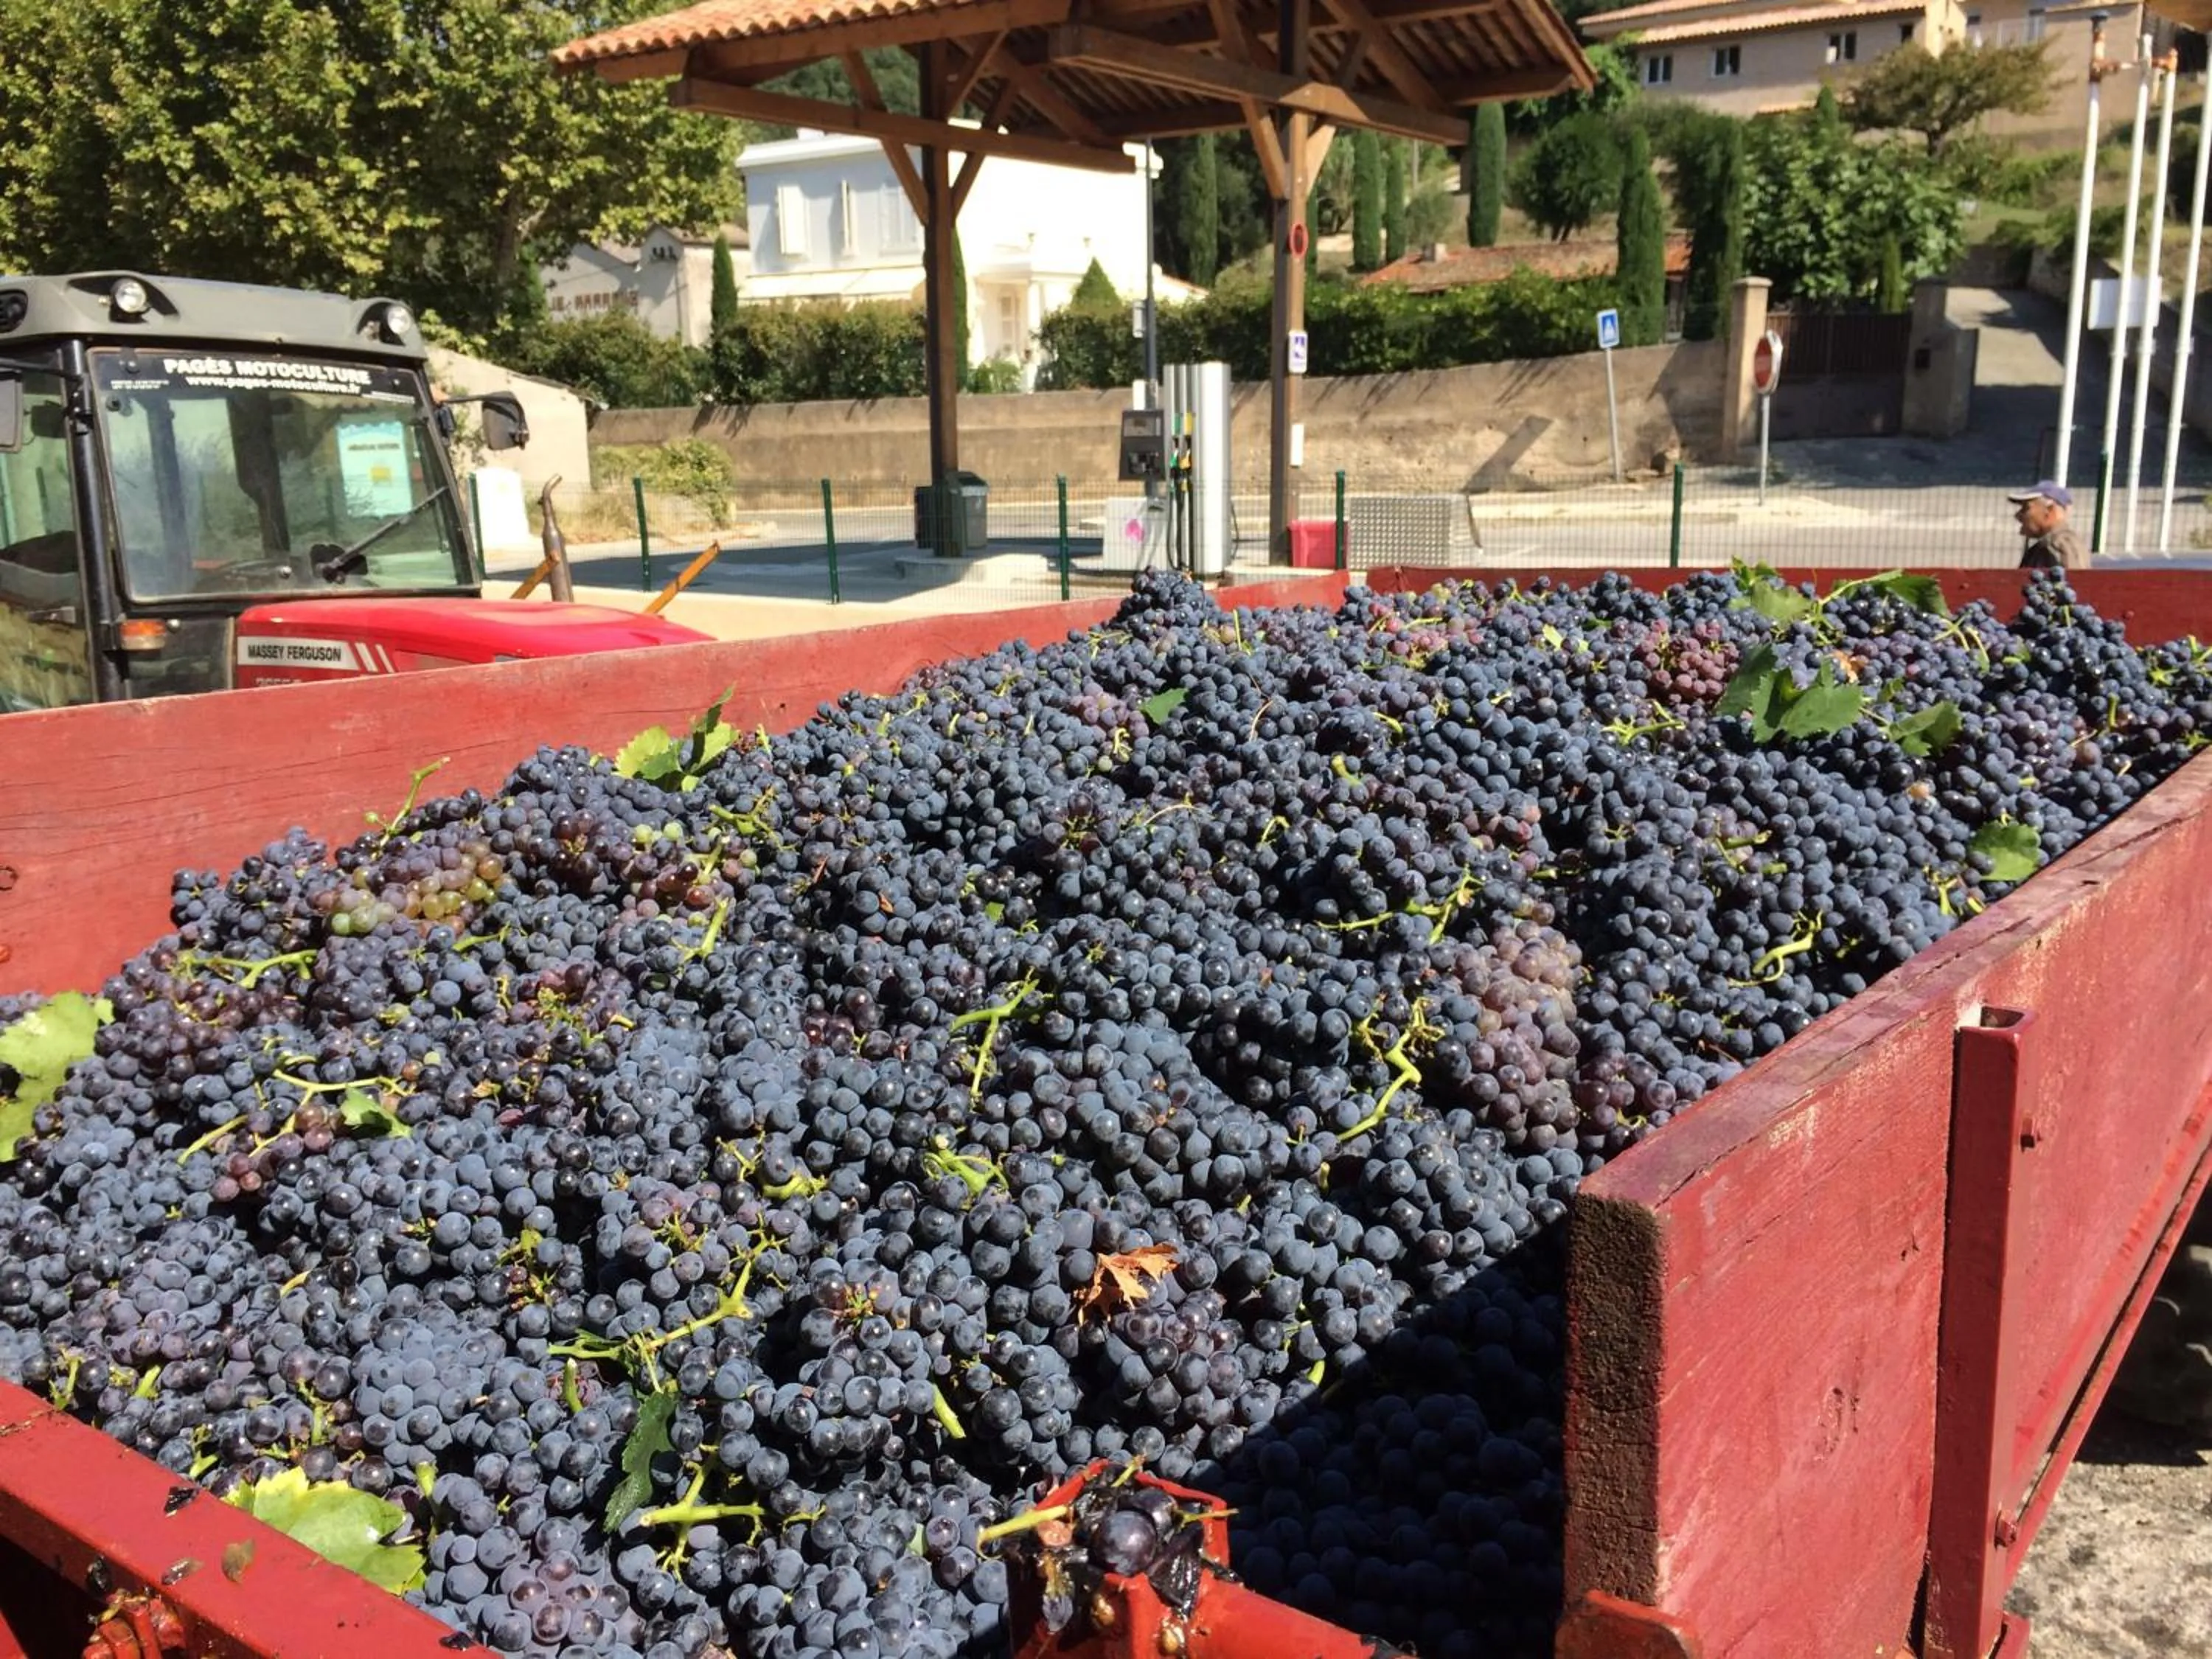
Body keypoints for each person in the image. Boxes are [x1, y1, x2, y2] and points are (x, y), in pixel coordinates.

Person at [2009, 480, 2089, 571]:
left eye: (2026, 508)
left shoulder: (2058, 543)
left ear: (2049, 510)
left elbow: (2074, 581)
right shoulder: (2048, 544)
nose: (2018, 515)